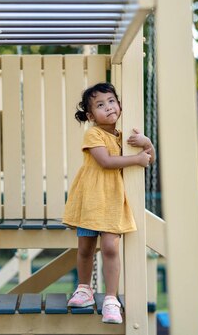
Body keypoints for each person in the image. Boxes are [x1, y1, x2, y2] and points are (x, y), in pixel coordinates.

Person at [62, 82, 155, 324]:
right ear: (92, 115)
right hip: (91, 199)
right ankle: (84, 289)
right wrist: (136, 158)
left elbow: (149, 159)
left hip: (113, 200)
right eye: (100, 105)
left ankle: (111, 299)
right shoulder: (94, 133)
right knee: (85, 248)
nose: (109, 107)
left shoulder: (125, 139)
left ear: (120, 105)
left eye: (111, 101)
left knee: (111, 248)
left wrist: (146, 144)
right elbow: (105, 161)